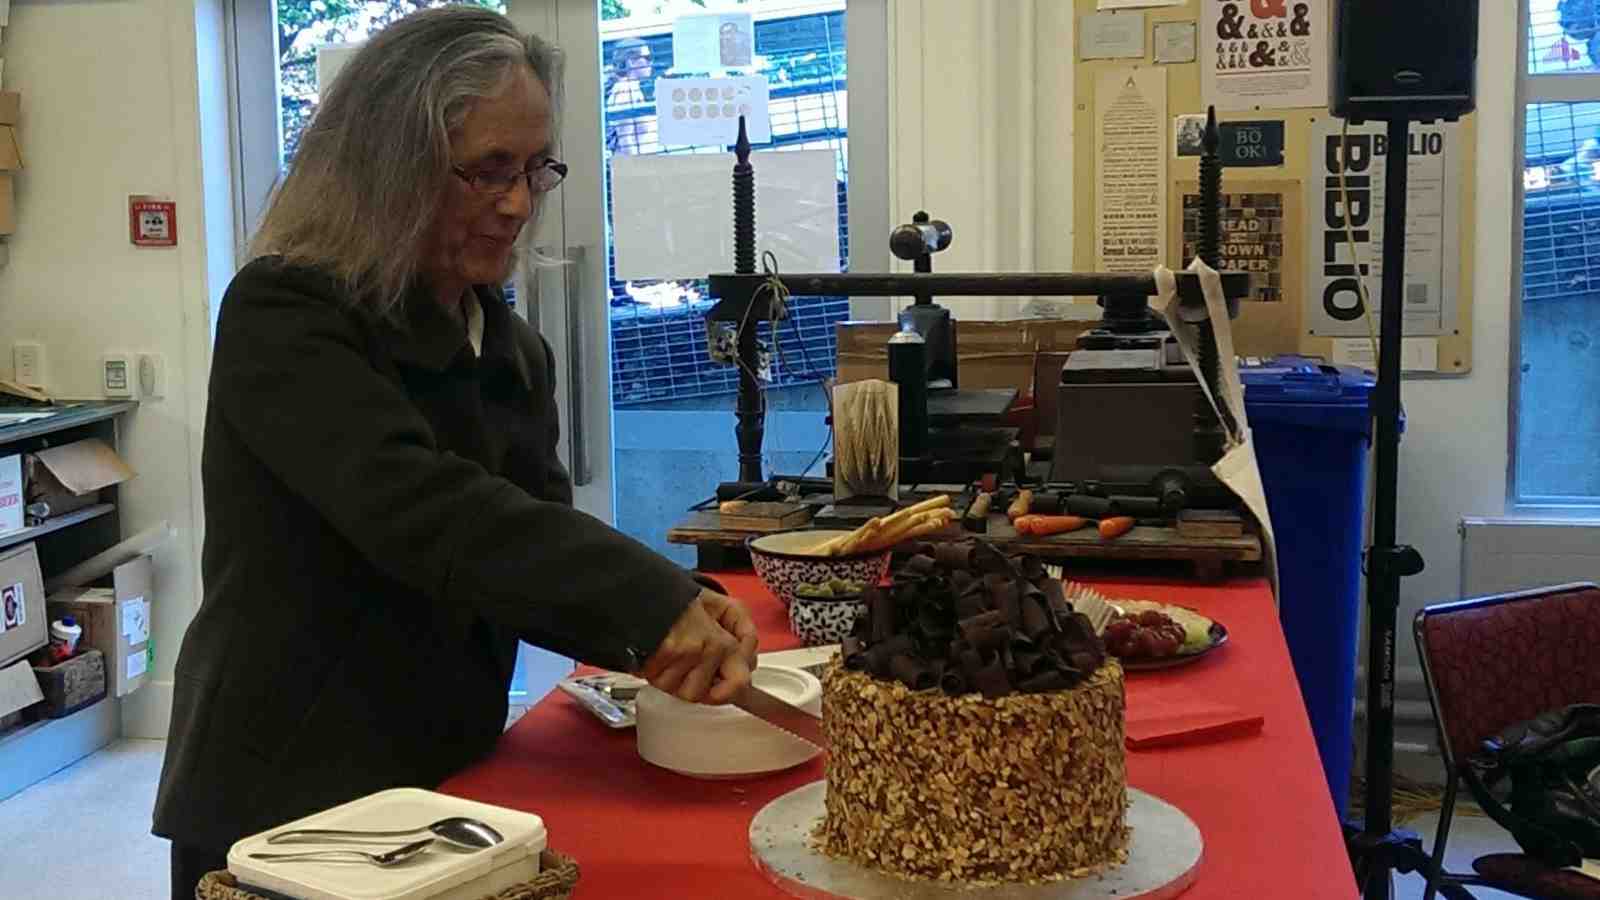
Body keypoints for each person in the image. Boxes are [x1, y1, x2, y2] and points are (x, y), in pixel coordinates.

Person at [151, 9, 758, 898]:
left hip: (445, 770)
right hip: (287, 785)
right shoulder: (285, 313)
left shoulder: (507, 345)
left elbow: (534, 535)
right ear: (387, 165)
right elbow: (425, 512)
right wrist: (644, 595)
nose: (517, 202)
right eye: (486, 170)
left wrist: (676, 617)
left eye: (533, 170)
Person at [606, 38, 657, 155]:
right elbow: (625, 138)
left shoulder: (632, 88)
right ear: (631, 62)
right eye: (647, 58)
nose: (651, 63)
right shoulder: (625, 89)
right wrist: (635, 169)